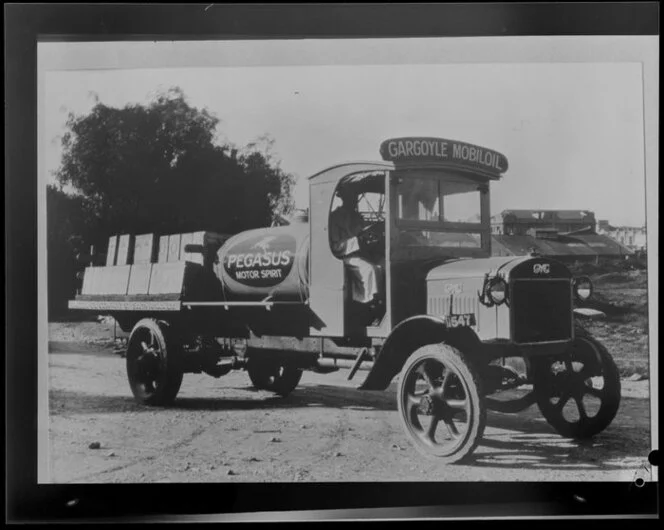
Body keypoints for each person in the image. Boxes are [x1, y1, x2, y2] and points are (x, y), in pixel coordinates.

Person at [329, 186, 384, 315]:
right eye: (350, 197)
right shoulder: (335, 218)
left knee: (385, 264)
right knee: (369, 269)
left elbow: (365, 235)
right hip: (346, 256)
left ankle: (383, 304)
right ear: (343, 198)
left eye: (354, 197)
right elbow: (335, 246)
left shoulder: (358, 217)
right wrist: (356, 241)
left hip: (363, 253)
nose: (353, 200)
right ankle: (368, 307)